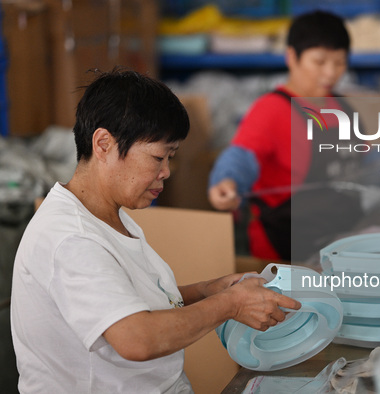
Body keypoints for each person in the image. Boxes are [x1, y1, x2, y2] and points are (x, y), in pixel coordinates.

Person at [10, 69, 300, 393]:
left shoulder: (107, 214)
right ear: (103, 143)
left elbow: (128, 297)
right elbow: (137, 338)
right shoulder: (70, 239)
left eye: (171, 157)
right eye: (158, 157)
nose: (166, 172)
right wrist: (230, 304)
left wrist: (205, 291)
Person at [208, 11, 367, 262]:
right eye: (320, 62)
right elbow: (240, 156)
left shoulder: (342, 107)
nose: (330, 73)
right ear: (292, 57)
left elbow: (362, 157)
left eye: (339, 63)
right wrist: (226, 181)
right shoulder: (271, 110)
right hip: (285, 248)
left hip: (340, 235)